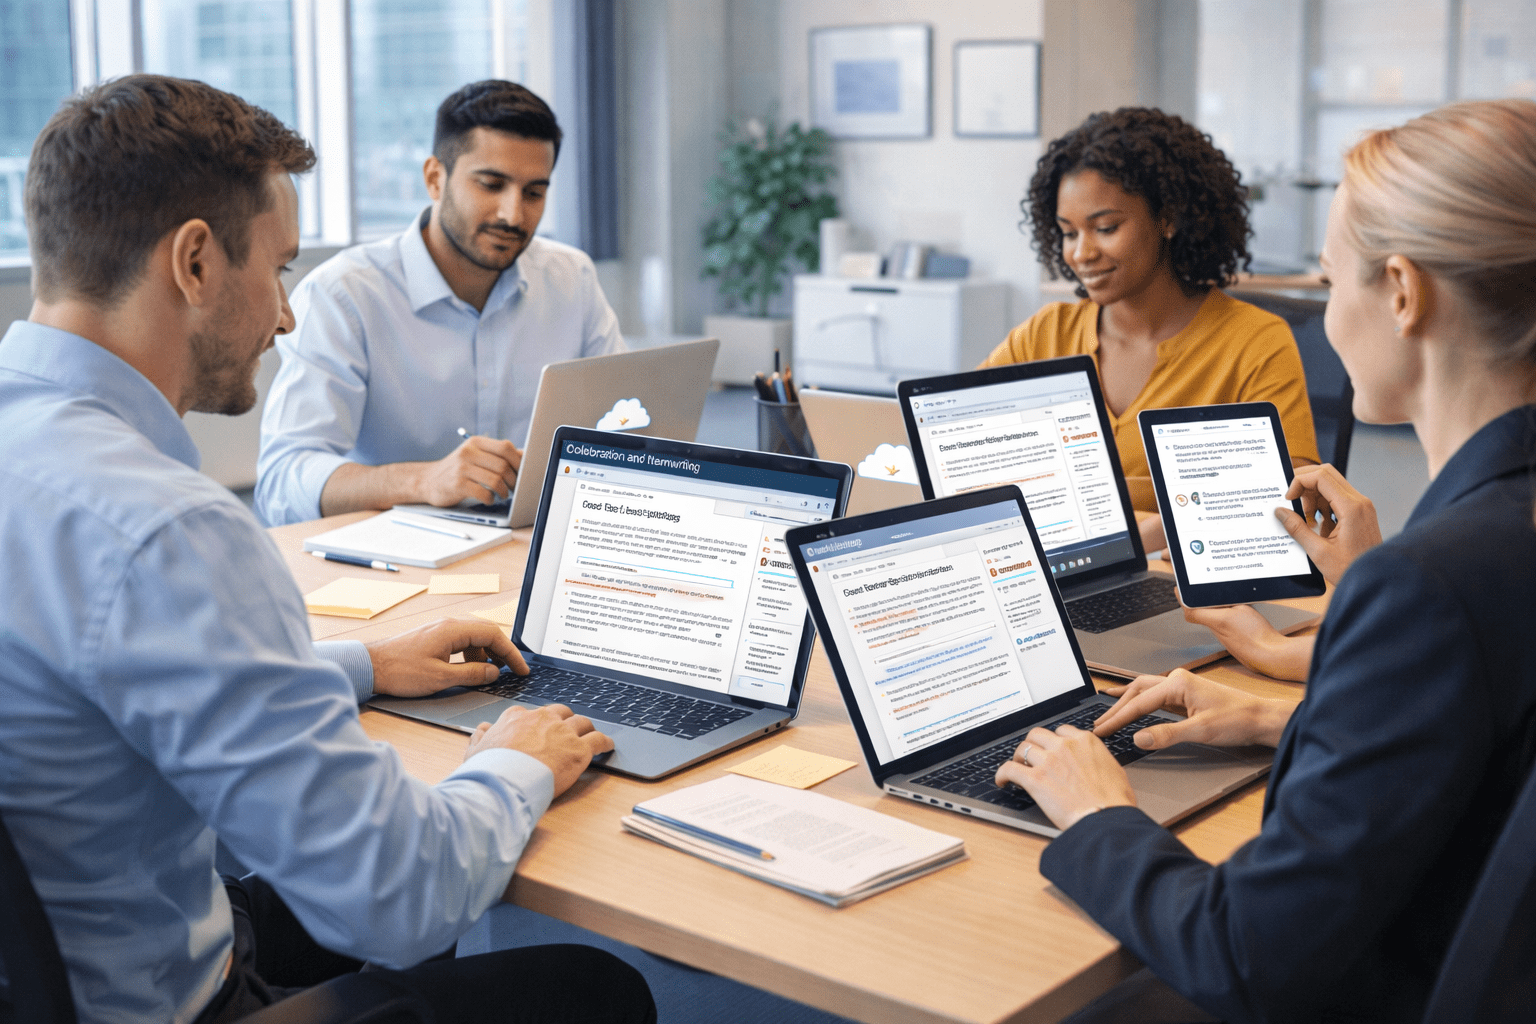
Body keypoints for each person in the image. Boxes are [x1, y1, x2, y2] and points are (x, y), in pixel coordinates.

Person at [0, 75, 652, 1024]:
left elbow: (102, 665)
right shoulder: (170, 529)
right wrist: (515, 757)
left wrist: (359, 663)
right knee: (597, 990)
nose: (287, 315)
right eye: (280, 268)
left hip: (70, 956)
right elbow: (400, 902)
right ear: (193, 263)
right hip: (178, 999)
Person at [995, 98, 1536, 1023]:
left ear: (1402, 293)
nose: (1327, 319)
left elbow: (1241, 953)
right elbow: (1478, 760)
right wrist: (1285, 725)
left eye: (1333, 283)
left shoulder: (1428, 585)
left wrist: (1097, 811)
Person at [255, 79, 624, 526]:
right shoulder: (344, 294)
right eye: (491, 184)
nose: (513, 214)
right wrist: (423, 481)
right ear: (434, 178)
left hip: (537, 541)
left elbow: (625, 431)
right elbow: (282, 483)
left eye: (534, 192)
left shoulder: (573, 279)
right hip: (397, 557)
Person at [981, 108, 1318, 553]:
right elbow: (966, 458)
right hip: (1057, 571)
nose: (1081, 254)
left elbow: (1291, 500)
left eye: (1105, 228)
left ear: (1169, 218)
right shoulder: (1044, 335)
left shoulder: (1254, 342)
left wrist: (1156, 533)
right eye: (1067, 233)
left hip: (1190, 581)